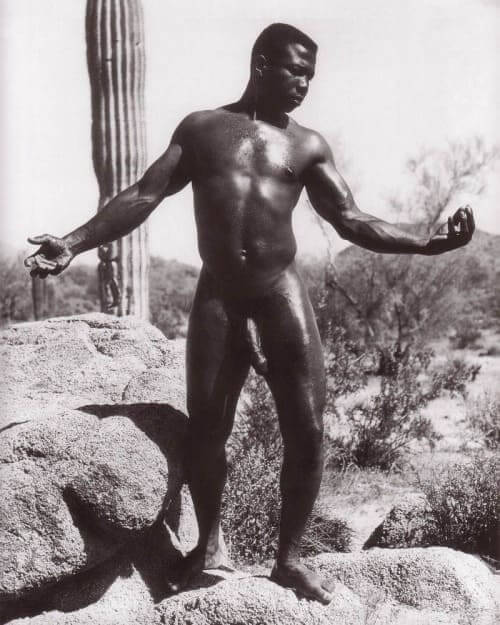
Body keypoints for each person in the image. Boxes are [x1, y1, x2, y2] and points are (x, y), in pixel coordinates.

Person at [25, 23, 474, 604]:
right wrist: (74, 242)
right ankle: (208, 545)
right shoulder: (203, 129)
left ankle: (289, 560)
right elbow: (144, 193)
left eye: (311, 75)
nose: (304, 84)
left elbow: (351, 219)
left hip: (278, 295)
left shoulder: (307, 146)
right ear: (262, 64)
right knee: (207, 429)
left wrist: (427, 243)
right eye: (295, 71)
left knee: (308, 431)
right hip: (218, 299)